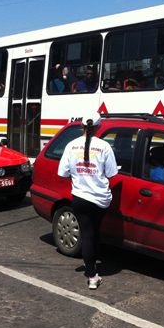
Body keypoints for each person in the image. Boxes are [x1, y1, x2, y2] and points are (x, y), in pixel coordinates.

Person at [57, 111, 118, 289]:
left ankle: (91, 274)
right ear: (99, 127)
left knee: (87, 234)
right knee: (95, 231)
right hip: (100, 199)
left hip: (80, 198)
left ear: (81, 125)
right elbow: (112, 174)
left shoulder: (71, 146)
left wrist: (78, 176)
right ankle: (93, 267)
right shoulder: (104, 146)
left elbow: (62, 173)